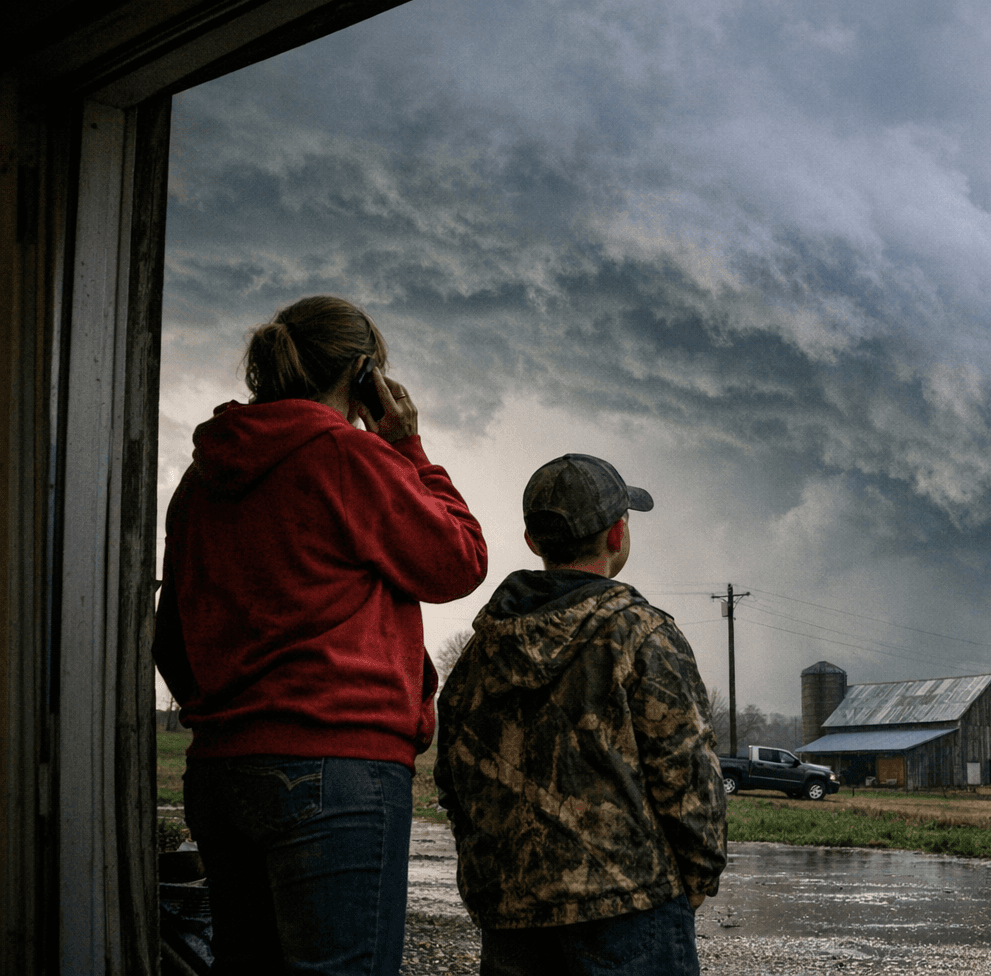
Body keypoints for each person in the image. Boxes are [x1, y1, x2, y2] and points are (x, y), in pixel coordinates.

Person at [154, 295, 489, 976]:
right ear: (365, 374)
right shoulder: (349, 459)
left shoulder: (200, 479)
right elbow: (460, 560)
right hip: (337, 769)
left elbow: (171, 641)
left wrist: (231, 718)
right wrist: (407, 444)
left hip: (221, 772)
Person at [435, 454, 727, 976]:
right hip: (630, 914)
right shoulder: (642, 635)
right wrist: (696, 883)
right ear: (617, 534)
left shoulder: (479, 654)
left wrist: (499, 878)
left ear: (533, 542)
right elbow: (689, 777)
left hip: (512, 924)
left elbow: (454, 781)